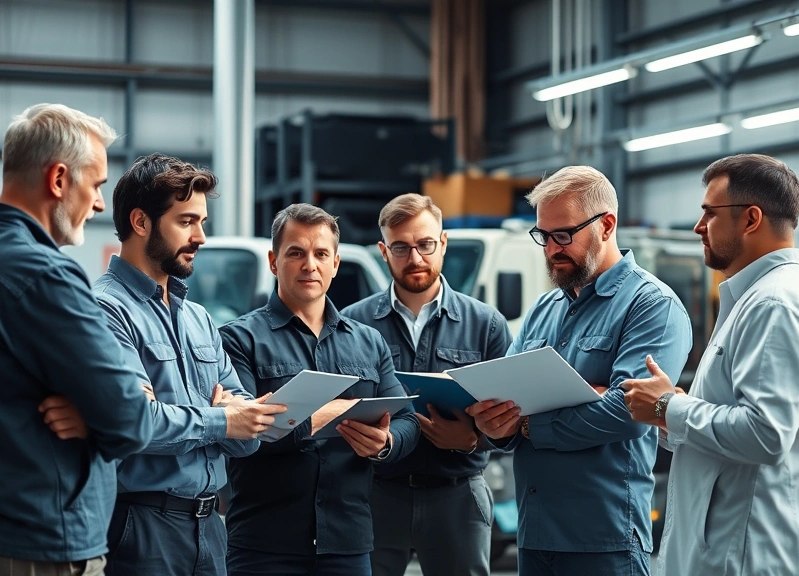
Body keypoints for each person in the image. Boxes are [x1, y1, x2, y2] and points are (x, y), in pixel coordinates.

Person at [0, 103, 154, 576]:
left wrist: (94, 411)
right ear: (59, 179)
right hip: (29, 546)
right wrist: (103, 411)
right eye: (96, 185)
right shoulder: (42, 273)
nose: (100, 204)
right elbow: (130, 419)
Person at [467, 165, 692, 576]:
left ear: (607, 225)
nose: (552, 248)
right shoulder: (543, 309)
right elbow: (506, 399)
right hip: (534, 535)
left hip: (604, 540)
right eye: (543, 236)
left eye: (563, 235)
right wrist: (494, 426)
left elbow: (627, 413)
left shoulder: (651, 306)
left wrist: (530, 425)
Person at [621, 154, 799, 576]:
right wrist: (671, 410)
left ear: (751, 219)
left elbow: (766, 433)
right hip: (725, 549)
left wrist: (670, 408)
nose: (698, 227)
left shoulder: (778, 304)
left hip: (746, 554)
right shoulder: (755, 298)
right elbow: (738, 418)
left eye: (709, 213)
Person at [90, 153, 287, 576]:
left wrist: (230, 421)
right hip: (140, 529)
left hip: (210, 527)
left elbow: (248, 434)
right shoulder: (105, 310)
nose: (200, 236)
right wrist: (219, 419)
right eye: (186, 222)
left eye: (202, 221)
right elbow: (135, 424)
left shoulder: (197, 317)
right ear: (141, 222)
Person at [218, 203, 420, 576]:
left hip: (348, 544)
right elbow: (240, 431)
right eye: (296, 253)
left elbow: (407, 419)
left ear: (335, 263)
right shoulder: (238, 340)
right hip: (264, 546)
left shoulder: (369, 342)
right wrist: (318, 419)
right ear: (274, 261)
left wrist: (386, 443)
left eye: (320, 254)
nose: (309, 264)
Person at [341, 193, 511, 576]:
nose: (415, 258)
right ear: (384, 251)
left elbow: (512, 420)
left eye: (425, 244)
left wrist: (473, 439)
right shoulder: (353, 325)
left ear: (443, 243)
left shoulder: (487, 325)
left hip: (458, 494)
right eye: (401, 247)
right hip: (374, 492)